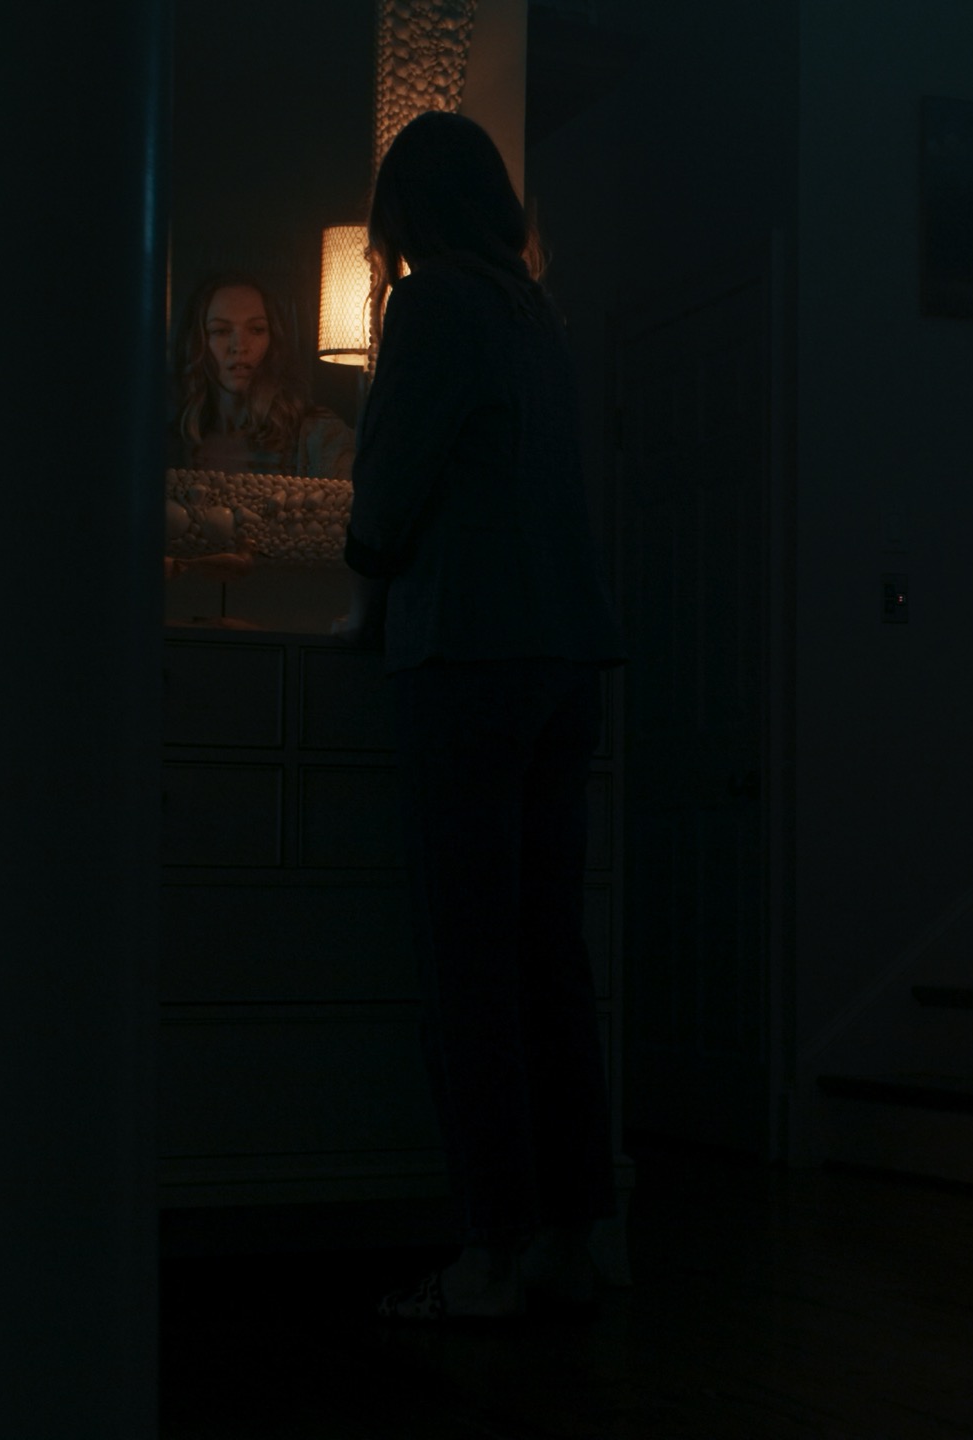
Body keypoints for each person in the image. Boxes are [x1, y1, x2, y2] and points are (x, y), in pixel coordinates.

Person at [340, 110, 629, 1322]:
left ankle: (488, 1250)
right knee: (547, 956)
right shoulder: (534, 319)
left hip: (466, 654)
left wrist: (368, 562)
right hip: (566, 655)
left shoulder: (433, 310)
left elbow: (386, 495)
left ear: (408, 212)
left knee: (465, 962)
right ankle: (576, 1231)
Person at [165, 273, 355, 582]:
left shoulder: (318, 437)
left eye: (256, 329)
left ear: (274, 339)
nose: (240, 346)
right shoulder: (174, 442)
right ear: (199, 342)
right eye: (221, 331)